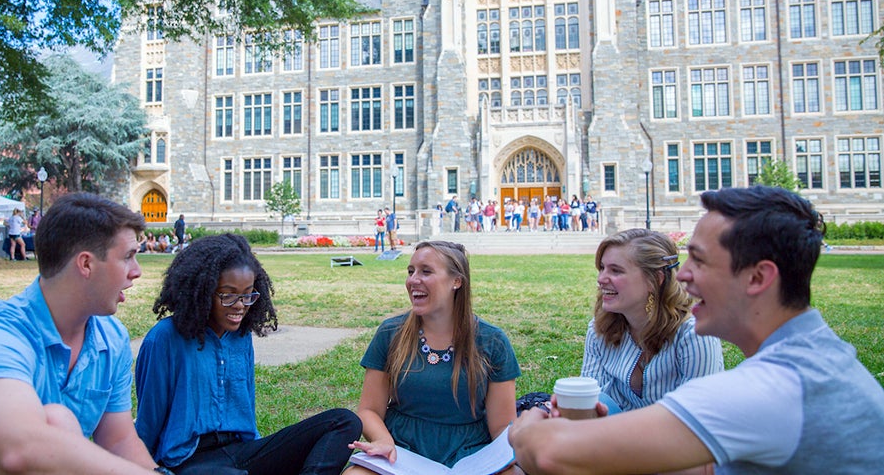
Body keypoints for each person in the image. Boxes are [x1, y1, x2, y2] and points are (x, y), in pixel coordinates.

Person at [510, 186, 884, 474]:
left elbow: (547, 453)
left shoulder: (772, 387)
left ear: (758, 277)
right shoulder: (815, 356)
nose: (682, 274)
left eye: (700, 260)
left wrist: (526, 424)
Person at [0, 193, 165, 475]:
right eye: (128, 257)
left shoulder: (112, 339)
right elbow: (20, 450)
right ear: (86, 264)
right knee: (55, 424)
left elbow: (118, 440)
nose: (137, 272)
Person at [134, 233, 361, 475]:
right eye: (228, 294)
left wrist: (268, 456)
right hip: (189, 461)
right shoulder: (164, 338)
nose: (241, 305)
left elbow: (247, 412)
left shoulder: (241, 337)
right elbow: (148, 423)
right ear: (202, 290)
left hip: (241, 452)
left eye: (248, 294)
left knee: (345, 422)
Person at [345, 241, 520, 473]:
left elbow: (501, 427)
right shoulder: (390, 333)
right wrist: (383, 441)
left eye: (426, 271)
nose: (413, 280)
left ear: (456, 281)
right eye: (411, 271)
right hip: (400, 449)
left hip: (471, 453)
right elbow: (369, 410)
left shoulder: (492, 341)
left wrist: (506, 458)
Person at [582, 229, 723, 415]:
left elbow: (699, 417)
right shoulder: (599, 330)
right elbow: (590, 401)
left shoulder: (695, 334)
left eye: (616, 270)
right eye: (602, 268)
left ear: (655, 280)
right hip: (611, 439)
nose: (601, 279)